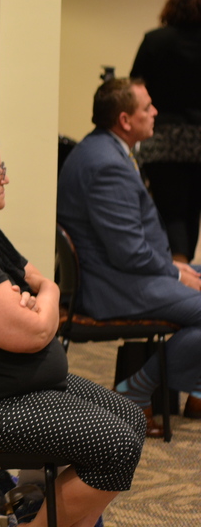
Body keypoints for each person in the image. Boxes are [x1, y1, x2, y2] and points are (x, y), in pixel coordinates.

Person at [0, 124, 144, 527]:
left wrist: (39, 298)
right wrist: (44, 300)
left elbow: (37, 281)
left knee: (131, 419)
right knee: (116, 445)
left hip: (16, 387)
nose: (6, 179)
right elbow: (35, 333)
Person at [57, 77, 201, 435]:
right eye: (147, 107)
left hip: (121, 273)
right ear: (124, 120)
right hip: (113, 285)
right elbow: (129, 253)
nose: (155, 112)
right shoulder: (107, 164)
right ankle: (136, 390)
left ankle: (196, 390)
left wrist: (175, 268)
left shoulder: (104, 148)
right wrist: (175, 273)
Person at [130, 0, 201, 263]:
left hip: (162, 138)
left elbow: (134, 87)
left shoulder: (155, 41)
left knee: (169, 211)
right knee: (192, 210)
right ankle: (186, 270)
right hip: (199, 140)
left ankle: (178, 271)